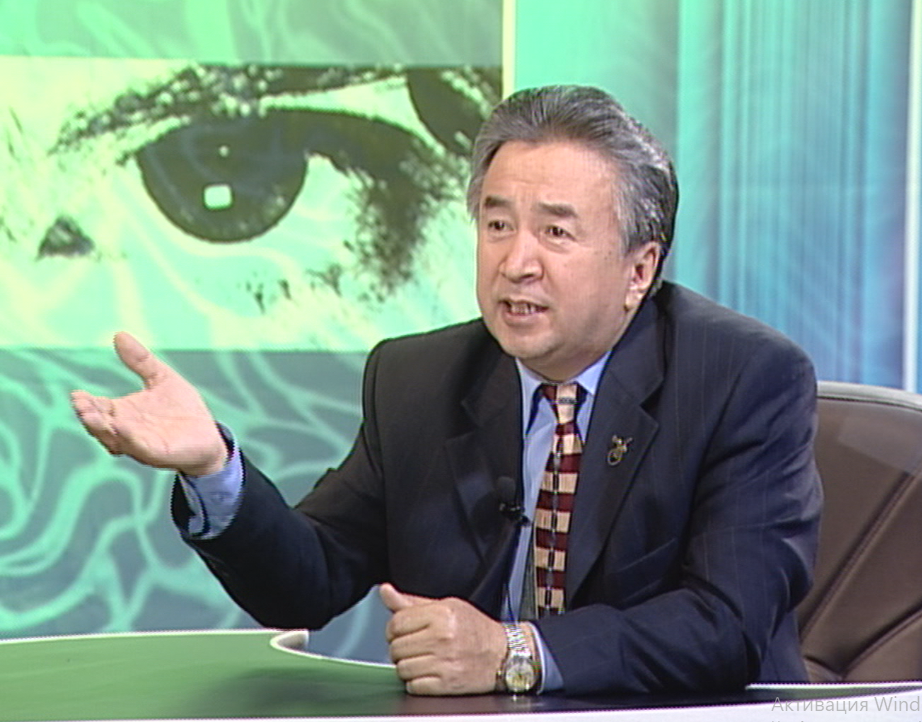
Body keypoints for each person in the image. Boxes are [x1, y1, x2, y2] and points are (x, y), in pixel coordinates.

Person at [71, 85, 822, 697]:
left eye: (556, 233)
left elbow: (726, 624)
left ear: (639, 269)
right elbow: (310, 580)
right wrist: (213, 468)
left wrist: (511, 653)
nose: (516, 262)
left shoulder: (742, 379)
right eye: (497, 225)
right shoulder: (418, 380)